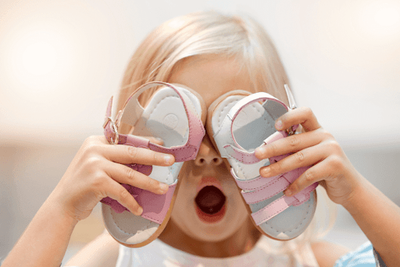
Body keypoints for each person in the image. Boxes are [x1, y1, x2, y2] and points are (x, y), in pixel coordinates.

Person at [3, 11, 400, 267]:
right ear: (127, 146)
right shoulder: (111, 262)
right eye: (174, 128)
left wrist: (356, 194)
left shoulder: (314, 262)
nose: (208, 155)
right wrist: (60, 209)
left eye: (237, 126)